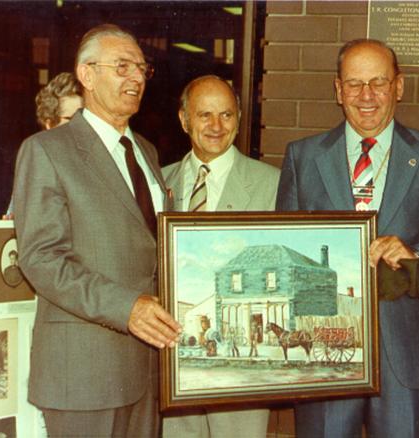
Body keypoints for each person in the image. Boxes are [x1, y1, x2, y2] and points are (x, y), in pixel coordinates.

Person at [13, 23, 182, 437]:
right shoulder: (47, 151)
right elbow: (41, 259)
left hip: (148, 372)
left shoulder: (145, 151)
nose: (137, 78)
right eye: (122, 66)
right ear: (86, 75)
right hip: (83, 375)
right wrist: (127, 307)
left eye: (142, 69)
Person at [276, 39, 419, 437]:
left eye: (378, 82)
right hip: (324, 349)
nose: (366, 96)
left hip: (405, 349)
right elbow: (286, 247)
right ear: (337, 90)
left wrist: (415, 255)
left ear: (398, 87)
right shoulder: (303, 156)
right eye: (354, 84)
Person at [162, 75, 278, 438]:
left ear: (240, 118)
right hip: (170, 360)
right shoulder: (156, 181)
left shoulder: (273, 184)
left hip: (239, 377)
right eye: (204, 115)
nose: (216, 126)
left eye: (226, 115)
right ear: (184, 119)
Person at [3, 72, 83, 219]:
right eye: (71, 119)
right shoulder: (35, 163)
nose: (81, 127)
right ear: (49, 123)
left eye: (84, 119)